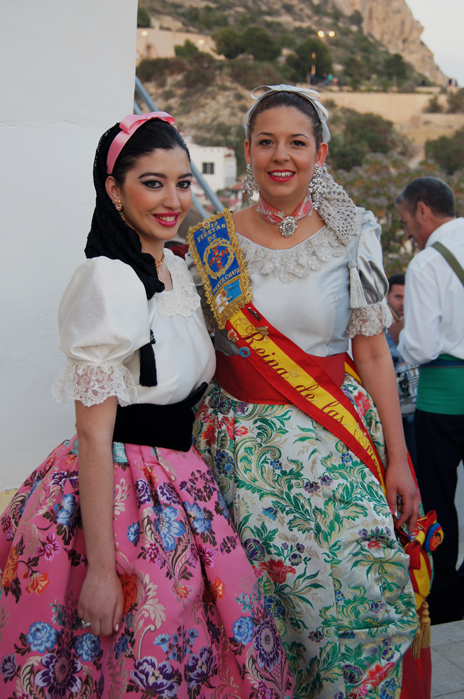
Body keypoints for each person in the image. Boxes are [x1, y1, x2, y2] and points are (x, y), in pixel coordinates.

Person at [0, 112, 293, 699]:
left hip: (186, 483)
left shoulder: (179, 267)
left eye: (182, 183)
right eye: (153, 183)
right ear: (114, 190)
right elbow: (93, 434)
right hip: (122, 493)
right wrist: (101, 570)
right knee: (133, 655)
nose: (173, 200)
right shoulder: (107, 280)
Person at [190, 85, 419, 699]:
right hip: (243, 463)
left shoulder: (355, 234)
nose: (281, 155)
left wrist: (399, 459)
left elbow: (373, 351)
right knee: (265, 615)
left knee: (358, 596)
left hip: (338, 448)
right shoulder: (212, 242)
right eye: (266, 142)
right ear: (247, 151)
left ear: (321, 153)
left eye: (297, 142)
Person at [396, 177, 464, 625]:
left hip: (444, 397)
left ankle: (446, 597)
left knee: (439, 497)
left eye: (406, 222)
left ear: (422, 210)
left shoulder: (426, 264)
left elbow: (420, 347)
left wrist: (398, 340)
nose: (409, 233)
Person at [385, 273, 418, 467]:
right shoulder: (376, 326)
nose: (403, 303)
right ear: (387, 296)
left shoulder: (419, 324)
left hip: (413, 412)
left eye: (408, 296)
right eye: (398, 296)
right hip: (388, 410)